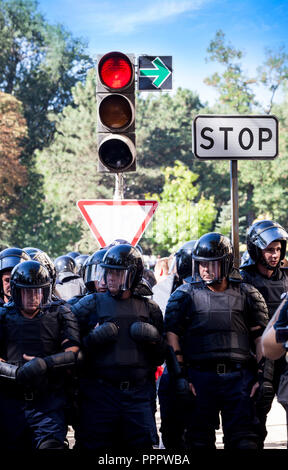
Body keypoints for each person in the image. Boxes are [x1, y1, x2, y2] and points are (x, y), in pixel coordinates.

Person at [164, 232, 269, 450]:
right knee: (197, 442)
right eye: (202, 264)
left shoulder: (248, 294)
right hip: (200, 378)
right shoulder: (184, 295)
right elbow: (171, 336)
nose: (205, 269)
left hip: (239, 379)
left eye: (212, 264)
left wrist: (263, 376)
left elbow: (261, 339)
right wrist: (180, 378)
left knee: (246, 442)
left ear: (226, 263)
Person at [70, 243, 166, 450]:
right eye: (108, 272)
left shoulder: (150, 308)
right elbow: (67, 345)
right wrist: (91, 340)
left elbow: (159, 357)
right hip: (100, 394)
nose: (110, 278)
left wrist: (155, 339)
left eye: (116, 273)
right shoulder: (89, 304)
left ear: (132, 275)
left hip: (138, 395)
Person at [0, 260, 81, 449]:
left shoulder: (60, 313)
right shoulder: (3, 316)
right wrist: (16, 372)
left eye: (37, 291)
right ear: (16, 291)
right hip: (12, 404)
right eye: (26, 291)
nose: (32, 297)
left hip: (48, 403)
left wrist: (45, 364)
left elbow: (73, 352)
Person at [240, 219, 288, 446]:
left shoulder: (287, 279)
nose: (275, 255)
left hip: (284, 357)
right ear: (256, 249)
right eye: (270, 249)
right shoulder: (241, 280)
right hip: (253, 359)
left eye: (278, 249)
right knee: (253, 425)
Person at [157, 240, 196, 450]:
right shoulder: (163, 290)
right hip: (172, 369)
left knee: (197, 433)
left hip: (200, 368)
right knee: (172, 433)